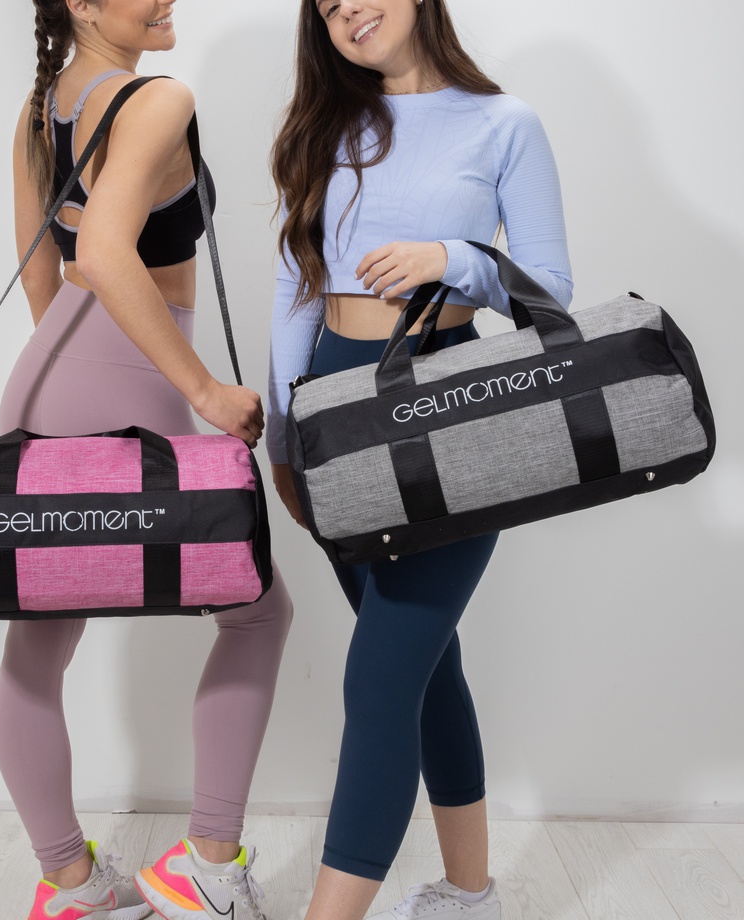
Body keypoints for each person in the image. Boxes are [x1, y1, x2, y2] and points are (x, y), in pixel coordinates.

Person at [268, 2, 572, 919]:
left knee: (378, 678)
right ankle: (470, 894)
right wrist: (284, 436)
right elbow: (295, 284)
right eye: (328, 6)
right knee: (426, 668)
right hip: (333, 422)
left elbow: (552, 295)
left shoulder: (505, 123)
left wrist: (453, 258)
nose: (348, 11)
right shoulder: (324, 125)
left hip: (449, 416)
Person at [0, 2, 293, 919]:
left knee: (39, 641)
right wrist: (202, 391)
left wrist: (74, 370)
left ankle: (70, 884)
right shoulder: (157, 98)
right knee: (257, 610)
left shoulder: (42, 104)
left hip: (48, 374)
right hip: (132, 379)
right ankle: (209, 863)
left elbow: (43, 269)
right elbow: (103, 252)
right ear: (81, 2)